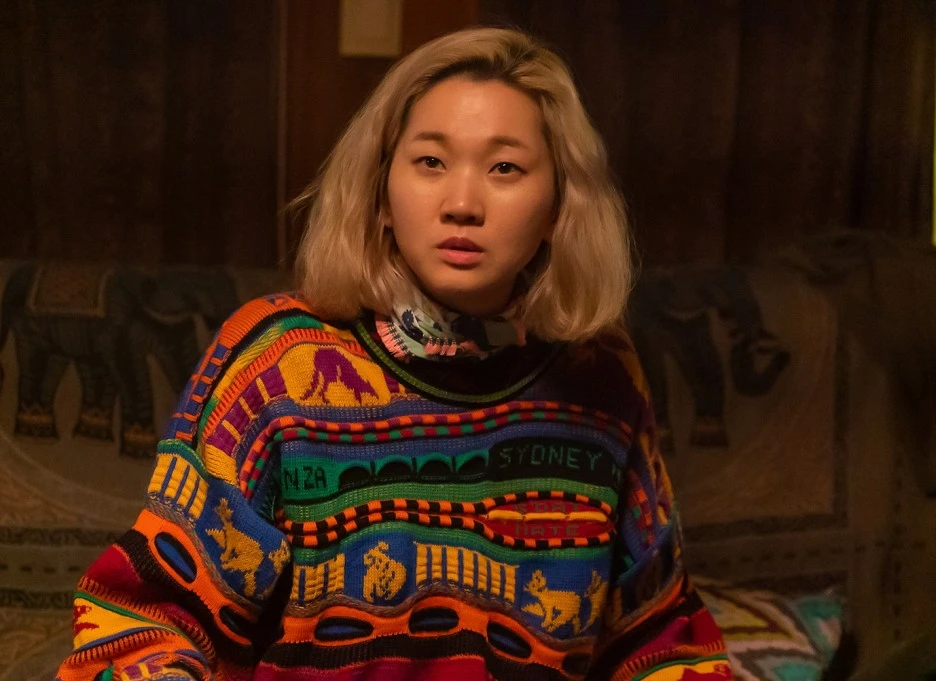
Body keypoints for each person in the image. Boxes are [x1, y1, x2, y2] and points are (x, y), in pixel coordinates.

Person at [57, 27, 730, 681]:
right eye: (431, 162)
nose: (462, 204)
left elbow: (656, 637)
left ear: (559, 207)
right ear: (380, 192)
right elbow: (149, 618)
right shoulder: (278, 358)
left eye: (505, 168)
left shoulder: (602, 373)